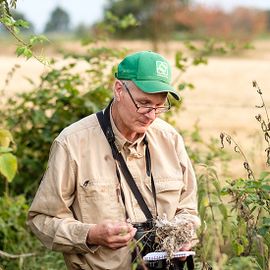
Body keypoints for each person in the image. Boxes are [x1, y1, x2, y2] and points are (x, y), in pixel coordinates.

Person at [28, 50, 200, 270]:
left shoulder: (171, 140)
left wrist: (184, 235)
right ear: (119, 90)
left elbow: (188, 211)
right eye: (144, 103)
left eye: (159, 106)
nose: (151, 115)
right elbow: (41, 220)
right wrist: (90, 235)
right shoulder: (72, 143)